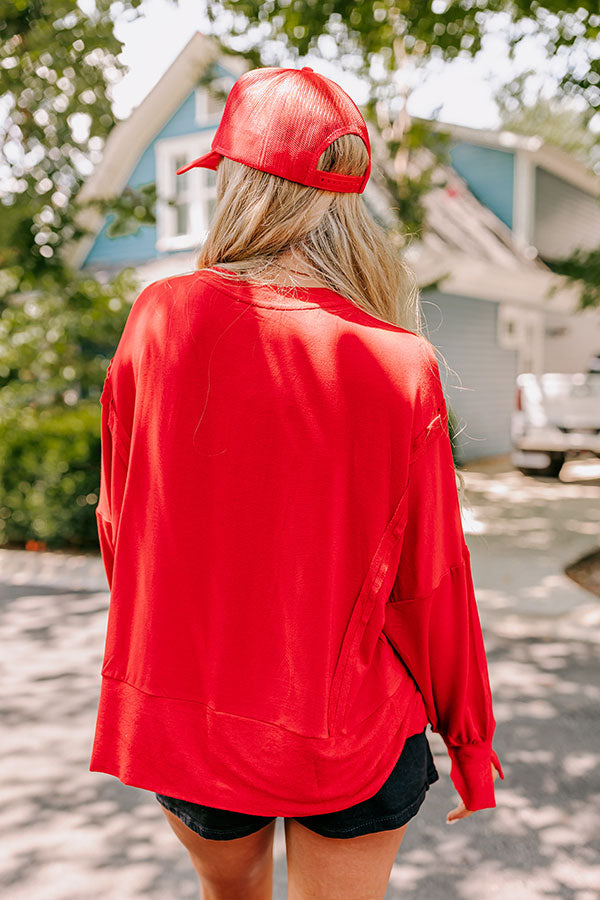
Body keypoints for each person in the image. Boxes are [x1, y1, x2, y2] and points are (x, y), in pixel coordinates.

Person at [90, 65, 504, 900]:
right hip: (348, 730)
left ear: (239, 186)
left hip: (196, 719)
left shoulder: (158, 319)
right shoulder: (399, 362)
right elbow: (431, 586)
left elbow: (121, 525)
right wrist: (469, 741)